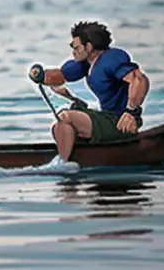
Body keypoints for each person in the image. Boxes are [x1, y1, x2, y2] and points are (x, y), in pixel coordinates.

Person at [28, 20, 151, 163]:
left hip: (118, 122)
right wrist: (40, 75)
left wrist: (131, 112)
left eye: (76, 47)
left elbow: (139, 79)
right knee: (59, 126)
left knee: (65, 117)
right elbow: (60, 75)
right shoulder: (87, 64)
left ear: (89, 46)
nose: (73, 51)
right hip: (106, 116)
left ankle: (63, 164)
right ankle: (69, 159)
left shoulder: (110, 59)